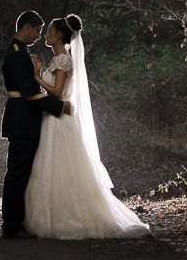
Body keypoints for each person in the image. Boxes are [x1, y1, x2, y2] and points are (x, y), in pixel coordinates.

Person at [24, 14, 151, 239]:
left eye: (51, 31)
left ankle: (68, 217)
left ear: (60, 35)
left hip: (59, 120)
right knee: (50, 166)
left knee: (62, 166)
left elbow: (57, 92)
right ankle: (51, 214)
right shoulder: (57, 59)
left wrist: (37, 78)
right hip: (52, 118)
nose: (47, 34)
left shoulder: (63, 59)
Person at [0, 10, 73, 239]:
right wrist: (59, 108)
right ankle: (12, 224)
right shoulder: (16, 55)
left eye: (45, 31)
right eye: (38, 30)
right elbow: (30, 92)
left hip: (25, 120)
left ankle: (16, 221)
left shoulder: (21, 53)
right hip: (22, 120)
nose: (39, 35)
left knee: (21, 172)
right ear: (27, 27)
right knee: (17, 173)